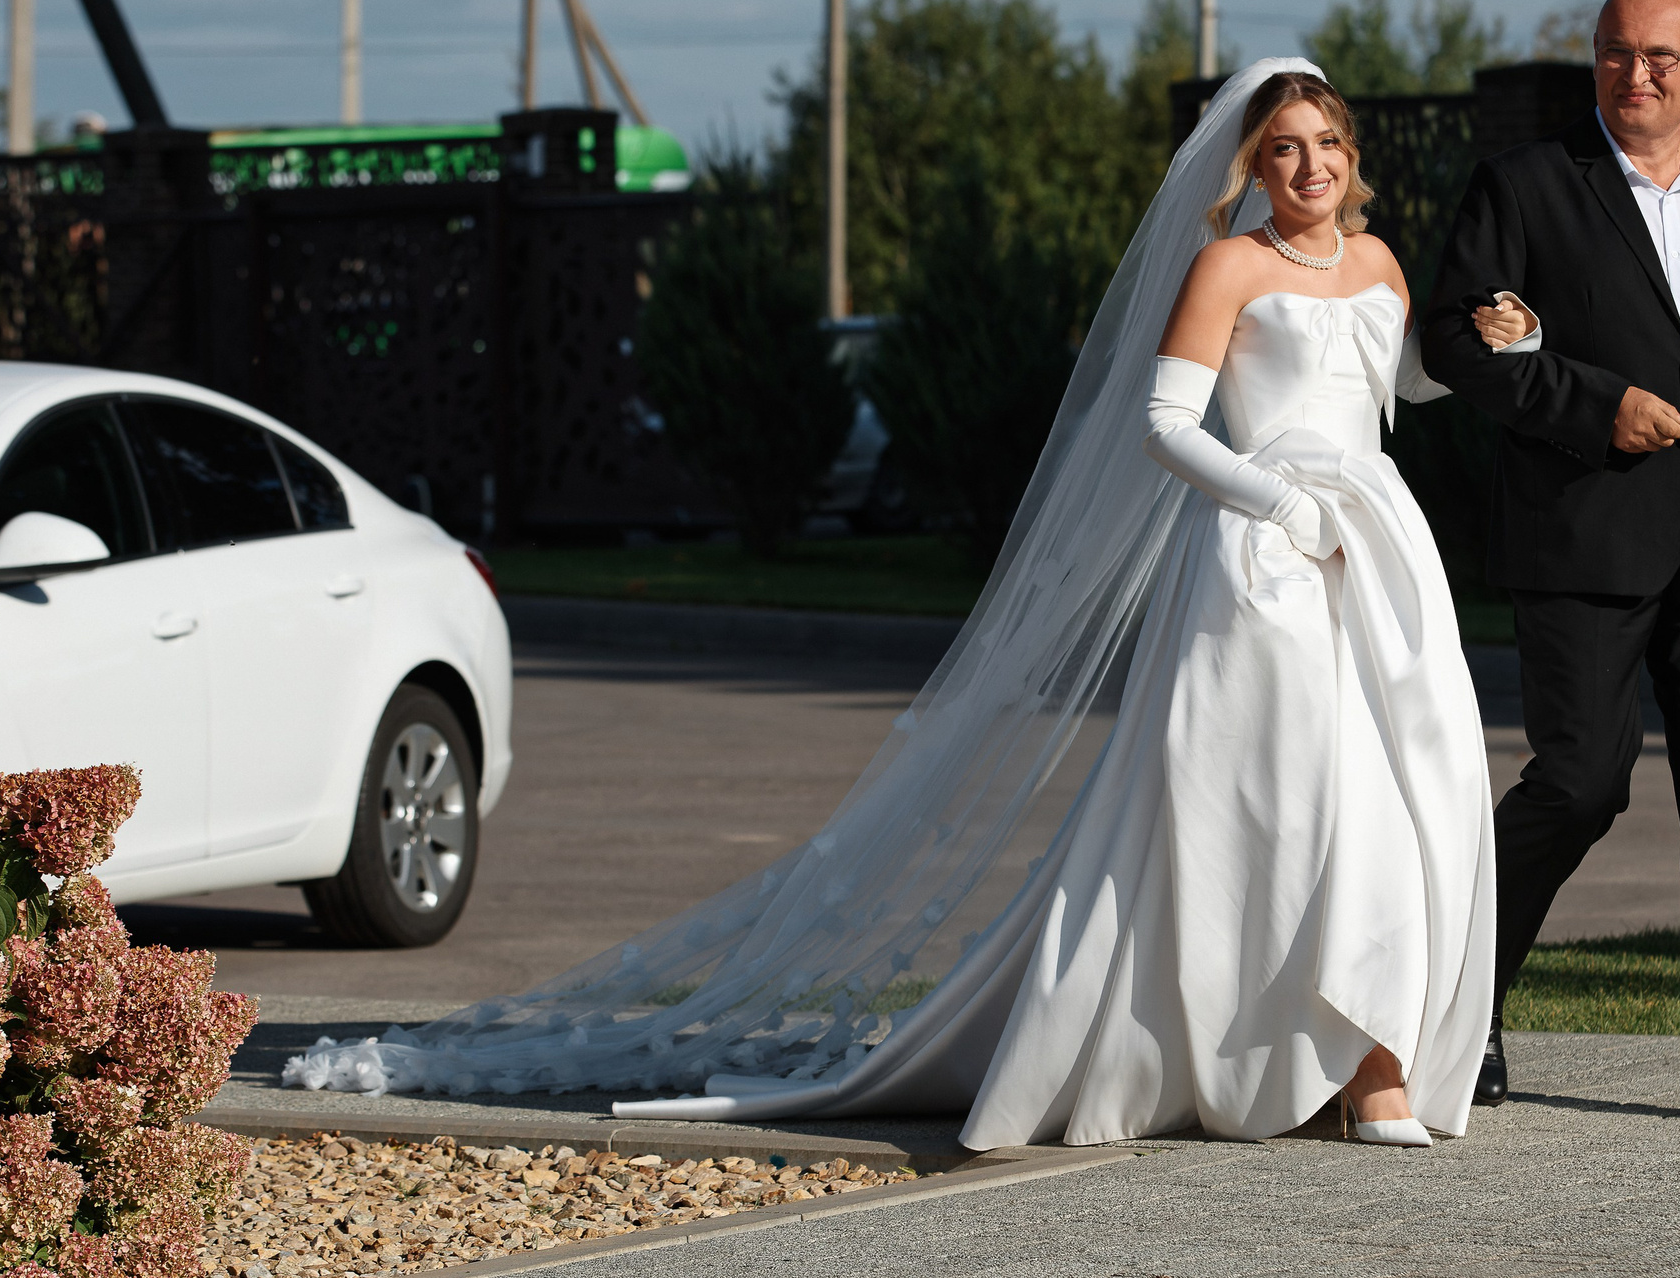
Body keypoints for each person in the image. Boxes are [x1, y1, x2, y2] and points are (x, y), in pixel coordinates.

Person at [284, 60, 1496, 1148]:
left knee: (1398, 797)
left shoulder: (1380, 262)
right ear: (1251, 162)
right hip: (1264, 569)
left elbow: (1397, 382)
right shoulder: (1225, 263)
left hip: (1378, 559)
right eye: (1284, 147)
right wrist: (1279, 506)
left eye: (1327, 144)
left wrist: (1485, 341)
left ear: (1351, 157)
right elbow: (1164, 424)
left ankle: (1366, 1054)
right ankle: (1287, 1054)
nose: (1310, 167)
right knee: (1274, 809)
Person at [1422, 0, 1680, 1125]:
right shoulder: (1526, 185)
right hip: (1580, 538)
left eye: (1657, 56)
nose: (1633, 74)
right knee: (1581, 780)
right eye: (1612, 54)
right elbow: (1455, 338)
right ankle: (1458, 1012)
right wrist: (1593, 402)